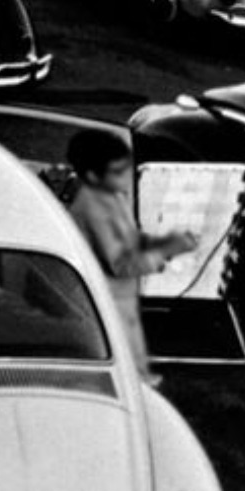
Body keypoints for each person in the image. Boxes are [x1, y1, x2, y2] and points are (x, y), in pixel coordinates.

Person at [65, 128, 195, 383]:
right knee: (122, 359)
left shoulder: (113, 195)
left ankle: (142, 385)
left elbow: (132, 238)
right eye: (117, 172)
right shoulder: (91, 207)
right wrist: (166, 252)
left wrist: (164, 240)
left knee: (134, 351)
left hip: (122, 293)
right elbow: (120, 264)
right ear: (92, 175)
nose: (126, 177)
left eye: (127, 168)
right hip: (104, 296)